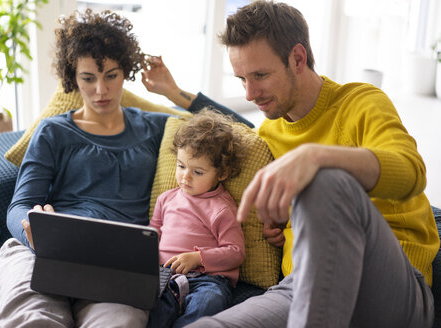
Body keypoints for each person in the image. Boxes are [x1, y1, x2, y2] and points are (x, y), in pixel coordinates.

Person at [142, 1, 440, 327]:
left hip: (387, 289)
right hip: (299, 288)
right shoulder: (270, 133)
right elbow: (234, 126)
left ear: (297, 58)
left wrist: (315, 158)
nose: (250, 92)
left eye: (260, 75)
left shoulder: (361, 103)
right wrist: (174, 93)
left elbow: (411, 170)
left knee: (325, 181)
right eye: (241, 79)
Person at [0, 9, 171, 328]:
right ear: (73, 77)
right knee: (33, 320)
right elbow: (19, 206)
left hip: (117, 262)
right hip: (44, 249)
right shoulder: (53, 131)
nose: (101, 91)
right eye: (88, 78)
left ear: (126, 71)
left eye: (111, 75)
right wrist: (34, 234)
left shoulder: (156, 128)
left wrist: (174, 94)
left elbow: (238, 131)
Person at [147, 109, 247, 328]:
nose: (185, 176)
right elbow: (152, 233)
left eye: (198, 172)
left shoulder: (221, 208)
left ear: (221, 173)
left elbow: (236, 252)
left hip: (207, 280)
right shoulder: (166, 199)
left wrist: (197, 258)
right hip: (166, 276)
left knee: (208, 303)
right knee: (150, 310)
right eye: (181, 166)